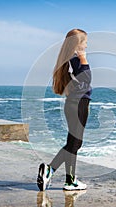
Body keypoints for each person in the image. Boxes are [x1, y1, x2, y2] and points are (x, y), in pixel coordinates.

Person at [37, 28, 92, 191]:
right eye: (85, 43)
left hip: (73, 103)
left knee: (73, 142)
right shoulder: (75, 59)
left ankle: (69, 180)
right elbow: (87, 80)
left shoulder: (67, 60)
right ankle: (51, 170)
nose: (87, 46)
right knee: (74, 143)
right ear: (78, 44)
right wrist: (83, 58)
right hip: (78, 104)